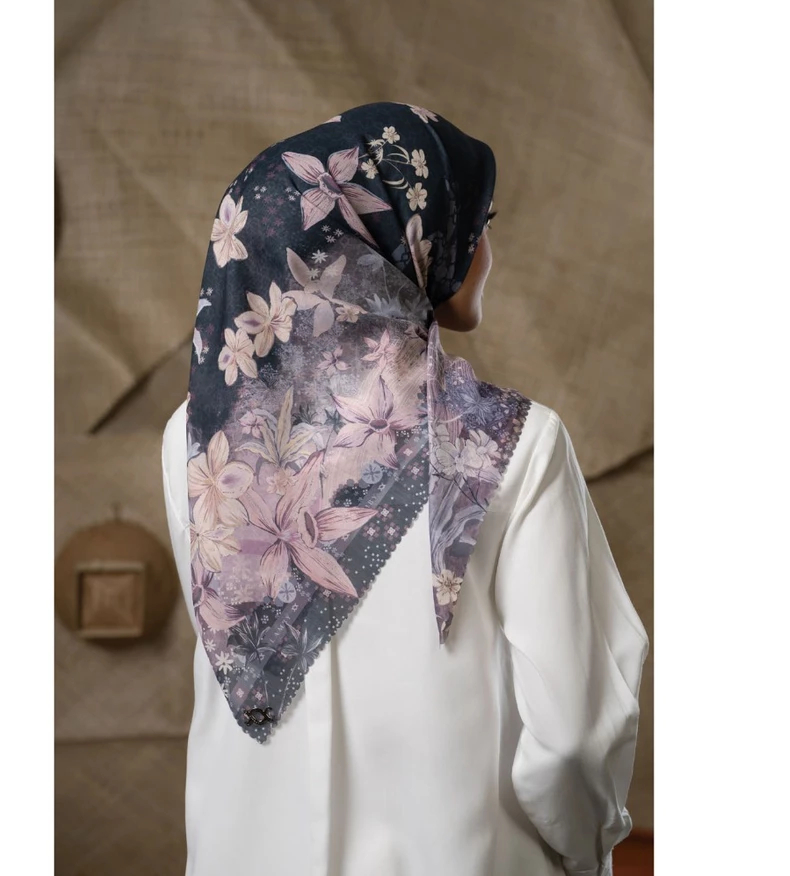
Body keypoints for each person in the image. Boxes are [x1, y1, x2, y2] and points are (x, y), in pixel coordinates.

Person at [162, 101, 649, 876]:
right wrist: (586, 854)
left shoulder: (198, 441)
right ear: (394, 240)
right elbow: (575, 740)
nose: (487, 252)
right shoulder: (516, 444)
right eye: (477, 223)